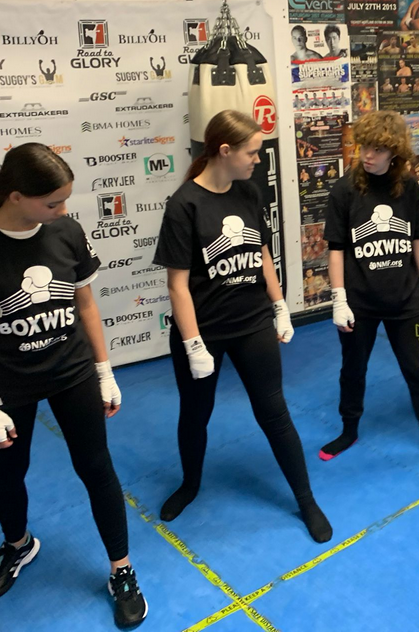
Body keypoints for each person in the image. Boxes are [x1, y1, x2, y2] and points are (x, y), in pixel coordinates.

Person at [0, 143, 148, 628]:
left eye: (65, 200)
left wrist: (104, 370)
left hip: (72, 371)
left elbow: (85, 303)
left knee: (96, 467)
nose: (63, 210)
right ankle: (18, 546)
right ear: (15, 197)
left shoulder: (66, 232)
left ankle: (122, 569)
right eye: (52, 202)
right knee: (9, 472)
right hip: (7, 381)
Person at [153, 110, 332, 543]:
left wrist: (279, 305)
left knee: (274, 411)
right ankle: (190, 484)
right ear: (224, 151)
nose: (257, 159)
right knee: (196, 413)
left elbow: (262, 253)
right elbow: (177, 284)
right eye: (252, 152)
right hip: (204, 331)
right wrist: (193, 343)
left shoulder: (249, 191)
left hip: (252, 324)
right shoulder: (184, 205)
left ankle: (306, 499)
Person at [320, 111, 419, 473]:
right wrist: (338, 299)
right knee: (353, 369)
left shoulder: (408, 187)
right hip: (360, 301)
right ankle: (348, 430)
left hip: (405, 299)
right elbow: (336, 249)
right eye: (365, 146)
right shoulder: (345, 190)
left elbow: (418, 239)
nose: (368, 155)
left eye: (378, 149)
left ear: (394, 152)